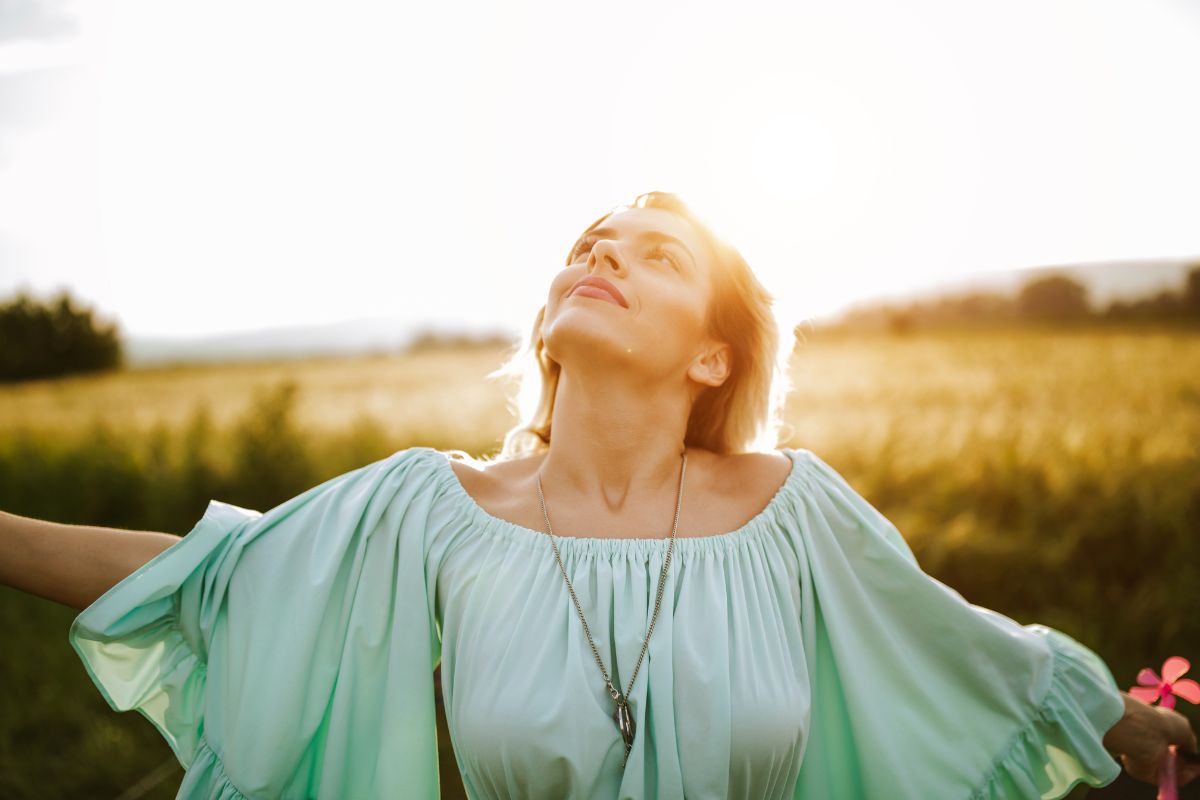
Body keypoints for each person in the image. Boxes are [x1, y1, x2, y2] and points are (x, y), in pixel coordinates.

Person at [2, 191, 1196, 798]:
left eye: (651, 252)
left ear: (713, 357)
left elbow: (946, 640)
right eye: (590, 242)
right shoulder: (433, 510)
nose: (602, 255)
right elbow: (220, 573)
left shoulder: (795, 511)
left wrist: (1103, 713)